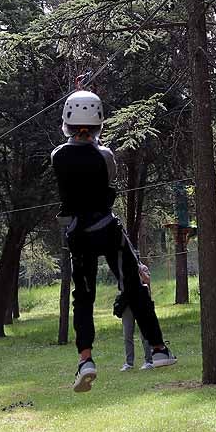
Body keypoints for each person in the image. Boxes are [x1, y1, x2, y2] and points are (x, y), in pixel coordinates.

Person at [52, 88, 177, 393]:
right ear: (99, 124)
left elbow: (74, 145)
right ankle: (159, 349)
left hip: (78, 234)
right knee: (134, 287)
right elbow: (104, 166)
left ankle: (86, 360)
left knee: (82, 297)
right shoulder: (105, 156)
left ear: (67, 123)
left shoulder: (57, 156)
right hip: (106, 229)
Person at [115, 262, 154, 371]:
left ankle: (149, 361)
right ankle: (129, 363)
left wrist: (139, 271)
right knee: (127, 334)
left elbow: (147, 281)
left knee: (144, 335)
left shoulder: (143, 268)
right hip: (127, 306)